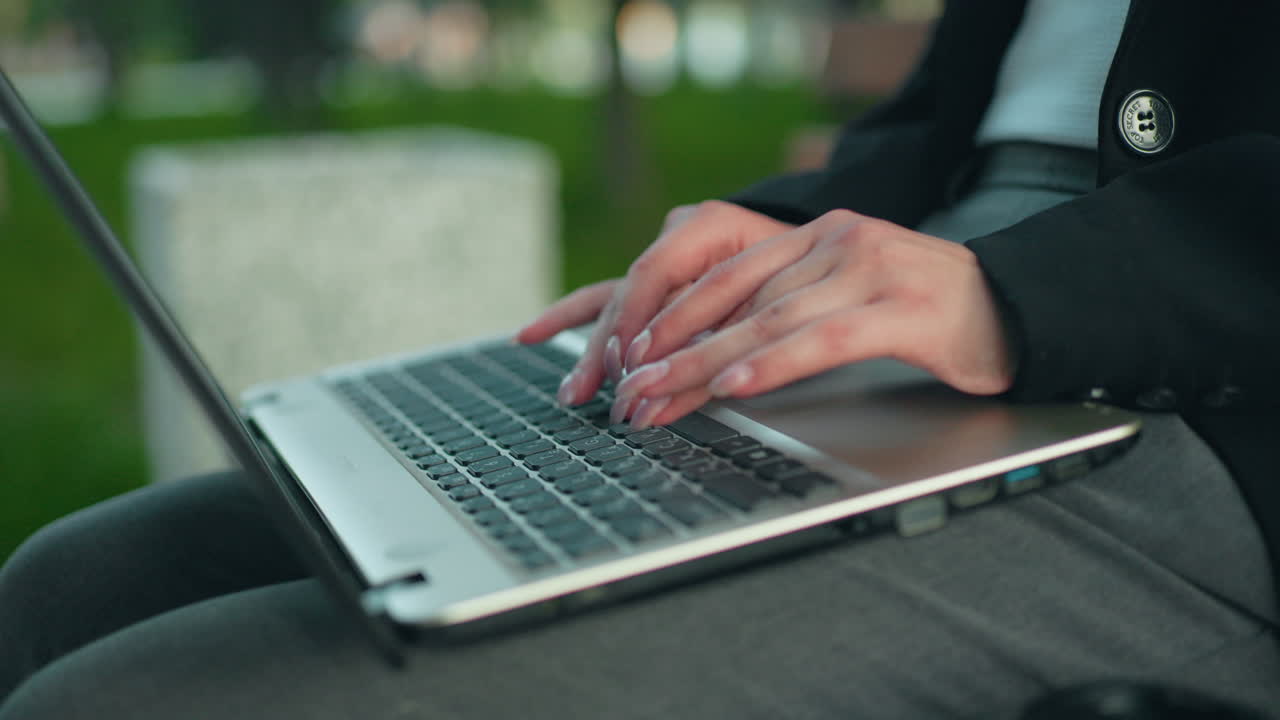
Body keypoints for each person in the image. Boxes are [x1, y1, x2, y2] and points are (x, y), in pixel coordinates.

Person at [2, 1, 1279, 717]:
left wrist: (1021, 291)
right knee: (77, 577)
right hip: (896, 356)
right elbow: (940, 130)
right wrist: (778, 244)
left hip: (1202, 423)